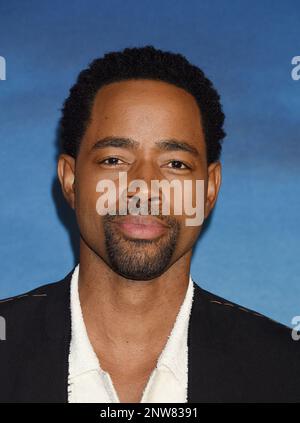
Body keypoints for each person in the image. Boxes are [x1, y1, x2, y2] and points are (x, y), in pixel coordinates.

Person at [0, 45, 299, 403]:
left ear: (210, 189)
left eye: (175, 164)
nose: (143, 187)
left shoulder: (285, 371)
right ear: (70, 180)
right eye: (114, 159)